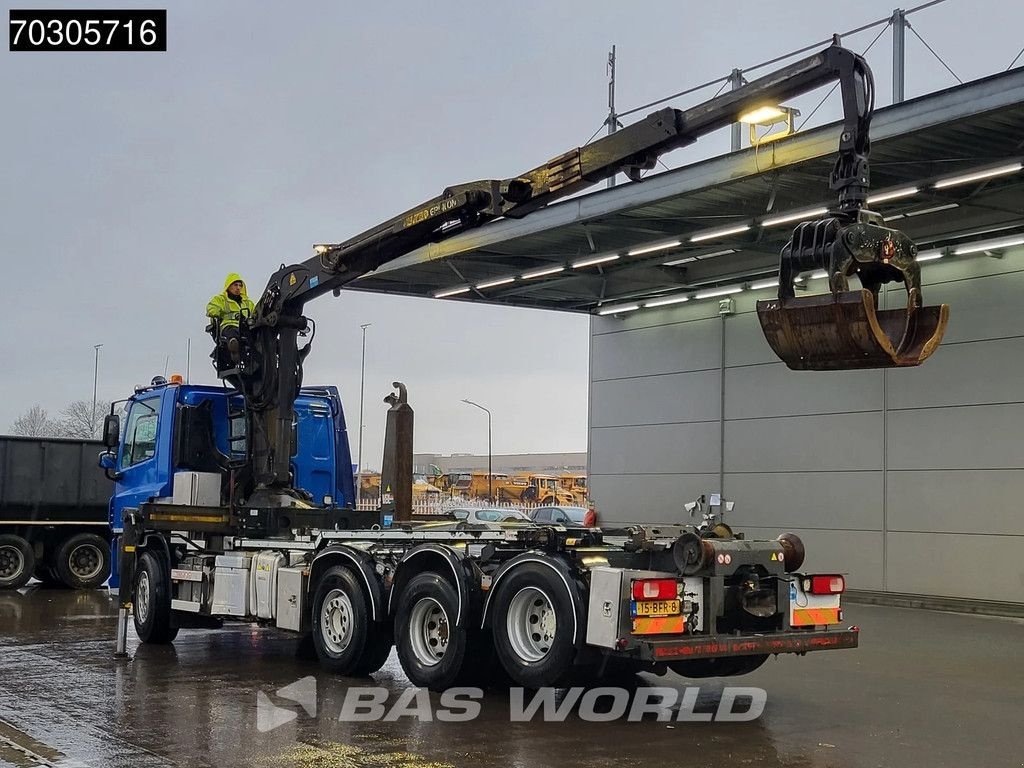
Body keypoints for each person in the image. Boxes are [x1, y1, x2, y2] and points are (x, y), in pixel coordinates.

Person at [206, 273, 255, 366]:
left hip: (245, 328)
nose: (238, 288)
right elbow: (211, 308)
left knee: (257, 335)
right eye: (235, 285)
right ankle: (234, 349)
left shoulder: (247, 302)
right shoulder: (221, 299)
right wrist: (216, 312)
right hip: (228, 326)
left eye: (240, 285)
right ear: (228, 286)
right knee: (233, 332)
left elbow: (256, 312)